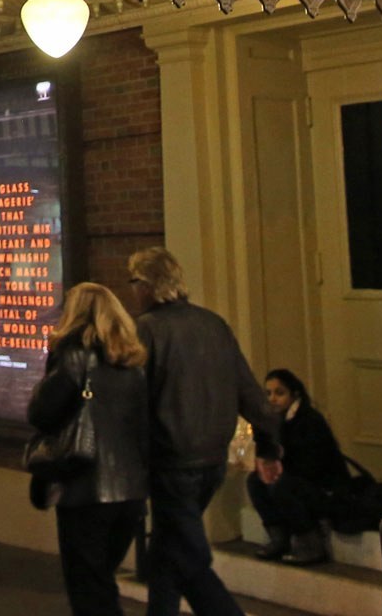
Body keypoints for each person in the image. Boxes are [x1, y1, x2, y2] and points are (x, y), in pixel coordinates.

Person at [129, 248, 284, 616]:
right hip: (212, 461)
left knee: (189, 560)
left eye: (134, 281)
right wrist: (268, 447)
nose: (131, 290)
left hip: (171, 461)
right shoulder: (214, 325)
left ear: (149, 285)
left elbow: (132, 401)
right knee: (168, 553)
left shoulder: (147, 330)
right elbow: (250, 393)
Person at [27, 284, 150, 616]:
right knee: (102, 581)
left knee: (87, 589)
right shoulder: (133, 363)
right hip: (129, 491)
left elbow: (41, 412)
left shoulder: (72, 357)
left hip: (85, 488)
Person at [247, 370, 347, 565]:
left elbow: (313, 466)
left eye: (279, 393)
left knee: (283, 485)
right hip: (293, 480)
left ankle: (310, 542)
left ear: (294, 394)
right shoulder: (272, 421)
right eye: (268, 393)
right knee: (255, 481)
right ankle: (279, 538)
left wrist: (280, 466)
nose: (273, 399)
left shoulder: (309, 421)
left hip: (322, 487)